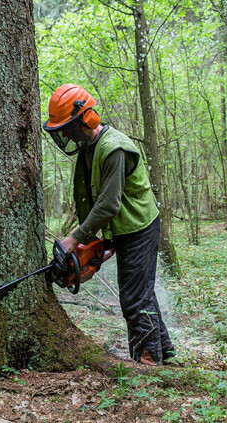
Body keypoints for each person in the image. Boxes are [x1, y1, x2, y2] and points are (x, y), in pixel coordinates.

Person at [42, 84, 175, 366]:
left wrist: (74, 239)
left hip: (139, 227)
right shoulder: (89, 150)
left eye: (68, 128)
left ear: (85, 120)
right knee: (141, 293)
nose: (65, 134)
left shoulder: (113, 148)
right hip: (123, 229)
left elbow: (109, 204)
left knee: (134, 298)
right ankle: (165, 353)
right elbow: (90, 199)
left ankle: (149, 363)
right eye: (61, 130)